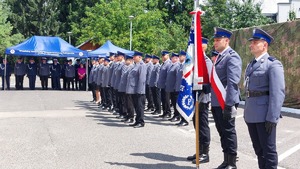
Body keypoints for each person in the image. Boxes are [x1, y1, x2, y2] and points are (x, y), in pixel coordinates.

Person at [244, 28, 285, 169]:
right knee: (259, 151)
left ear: (265, 45)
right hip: (251, 114)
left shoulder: (273, 64)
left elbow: (277, 92)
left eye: (255, 42)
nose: (251, 45)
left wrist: (272, 117)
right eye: (252, 42)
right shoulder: (251, 65)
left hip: (264, 116)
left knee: (269, 151)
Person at [210, 27, 242, 169]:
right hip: (217, 101)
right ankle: (226, 160)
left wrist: (229, 105)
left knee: (228, 132)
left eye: (218, 40)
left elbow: (232, 83)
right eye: (215, 40)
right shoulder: (218, 56)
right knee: (222, 132)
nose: (215, 43)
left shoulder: (232, 56)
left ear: (227, 40)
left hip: (226, 102)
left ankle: (232, 162)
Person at [187, 37, 213, 164]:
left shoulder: (206, 62)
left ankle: (205, 153)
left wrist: (198, 86)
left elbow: (208, 84)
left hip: (202, 99)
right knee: (196, 125)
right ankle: (199, 150)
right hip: (194, 98)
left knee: (202, 126)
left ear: (204, 47)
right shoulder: (195, 62)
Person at [127, 51, 147, 128]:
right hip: (134, 90)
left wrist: (139, 90)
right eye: (133, 57)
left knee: (140, 107)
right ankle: (137, 120)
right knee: (136, 106)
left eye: (135, 57)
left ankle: (141, 122)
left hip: (139, 90)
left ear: (140, 57)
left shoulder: (142, 65)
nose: (133, 58)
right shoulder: (136, 65)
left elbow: (142, 79)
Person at [166, 53, 182, 123]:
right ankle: (175, 115)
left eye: (173, 58)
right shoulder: (172, 66)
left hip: (175, 88)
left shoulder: (177, 65)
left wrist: (176, 87)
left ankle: (177, 115)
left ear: (176, 58)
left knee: (175, 102)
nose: (171, 59)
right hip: (172, 88)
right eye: (172, 57)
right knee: (173, 101)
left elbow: (177, 78)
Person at [118, 55, 134, 123]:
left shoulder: (132, 67)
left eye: (126, 60)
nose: (125, 61)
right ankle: (128, 116)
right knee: (126, 103)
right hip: (126, 88)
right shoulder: (127, 67)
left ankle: (131, 117)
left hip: (129, 88)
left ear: (130, 61)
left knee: (130, 104)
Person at [157, 51, 172, 118]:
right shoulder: (163, 64)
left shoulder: (169, 63)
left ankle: (168, 112)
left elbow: (168, 75)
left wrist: (167, 84)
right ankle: (164, 112)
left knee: (166, 99)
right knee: (163, 99)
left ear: (168, 56)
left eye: (164, 55)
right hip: (162, 85)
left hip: (166, 85)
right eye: (162, 56)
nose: (162, 57)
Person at [176, 50, 189, 126]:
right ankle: (181, 119)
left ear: (184, 57)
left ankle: (185, 120)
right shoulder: (181, 65)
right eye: (179, 56)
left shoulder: (186, 65)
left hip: (184, 87)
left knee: (184, 103)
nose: (179, 57)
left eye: (181, 56)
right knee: (180, 103)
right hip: (179, 87)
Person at [114, 52, 126, 119]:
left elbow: (123, 76)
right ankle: (120, 112)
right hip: (117, 84)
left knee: (122, 100)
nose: (117, 57)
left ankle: (123, 113)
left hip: (121, 85)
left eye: (119, 56)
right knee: (119, 100)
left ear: (122, 57)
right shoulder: (119, 64)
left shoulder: (123, 64)